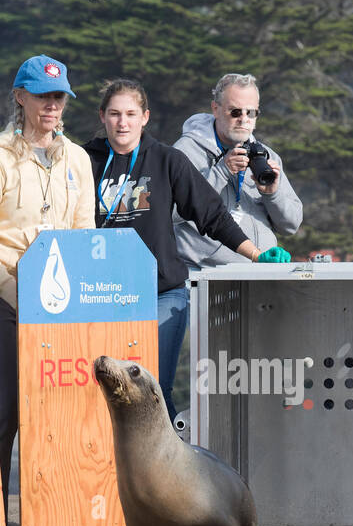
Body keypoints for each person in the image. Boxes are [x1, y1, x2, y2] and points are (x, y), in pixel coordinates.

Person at [84, 78, 290, 421]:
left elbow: (210, 214)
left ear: (145, 117)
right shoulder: (83, 160)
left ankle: (169, 468)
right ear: (102, 116)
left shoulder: (168, 160)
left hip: (161, 291)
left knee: (153, 388)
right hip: (101, 295)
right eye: (115, 114)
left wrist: (255, 254)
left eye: (131, 114)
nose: (123, 122)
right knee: (105, 388)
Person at [0, 54, 94, 522]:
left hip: (58, 304)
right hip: (2, 296)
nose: (52, 106)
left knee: (56, 417)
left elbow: (85, 235)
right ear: (20, 97)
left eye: (58, 97)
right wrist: (13, 292)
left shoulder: (77, 159)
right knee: (0, 416)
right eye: (42, 96)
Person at [172, 72, 302, 272]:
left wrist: (272, 194)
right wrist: (221, 173)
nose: (243, 119)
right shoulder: (186, 151)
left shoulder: (266, 156)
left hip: (262, 272)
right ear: (215, 109)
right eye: (235, 112)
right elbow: (169, 212)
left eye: (251, 113)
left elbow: (291, 225)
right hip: (205, 274)